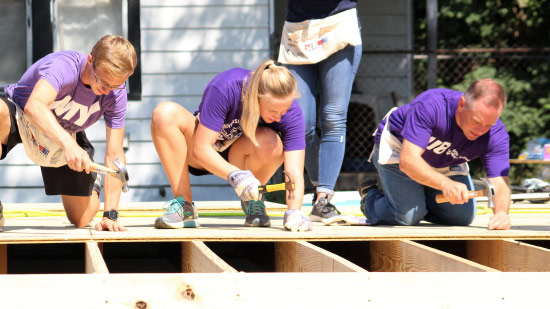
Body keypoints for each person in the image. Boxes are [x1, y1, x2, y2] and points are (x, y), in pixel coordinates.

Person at [150, 59, 312, 232]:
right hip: (204, 151)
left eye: (284, 111)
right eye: (273, 111)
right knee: (164, 114)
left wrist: (295, 212)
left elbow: (294, 172)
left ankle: (253, 200)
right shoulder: (226, 87)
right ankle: (185, 207)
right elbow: (200, 148)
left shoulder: (291, 112)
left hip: (243, 153)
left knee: (272, 142)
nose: (280, 117)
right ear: (255, 98)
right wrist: (235, 175)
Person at [0, 35, 137, 232]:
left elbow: (114, 154)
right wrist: (70, 146)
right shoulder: (64, 66)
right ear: (90, 60)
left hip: (67, 135)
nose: (107, 91)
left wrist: (111, 214)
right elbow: (35, 105)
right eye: (103, 82)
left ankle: (93, 186)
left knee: (81, 219)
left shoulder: (116, 94)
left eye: (115, 86)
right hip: (23, 116)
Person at [359, 79, 512, 230]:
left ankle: (416, 201)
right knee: (407, 217)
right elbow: (408, 160)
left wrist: (501, 213)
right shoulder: (432, 105)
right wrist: (445, 184)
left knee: (461, 217)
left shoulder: (496, 134)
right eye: (476, 121)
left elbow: (500, 183)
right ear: (461, 104)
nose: (481, 131)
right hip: (400, 148)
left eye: (489, 125)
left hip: (445, 158)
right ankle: (371, 199)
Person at [278, 0, 362, 221]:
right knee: (300, 123)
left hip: (338, 25)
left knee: (333, 117)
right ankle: (317, 186)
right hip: (298, 31)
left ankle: (323, 199)